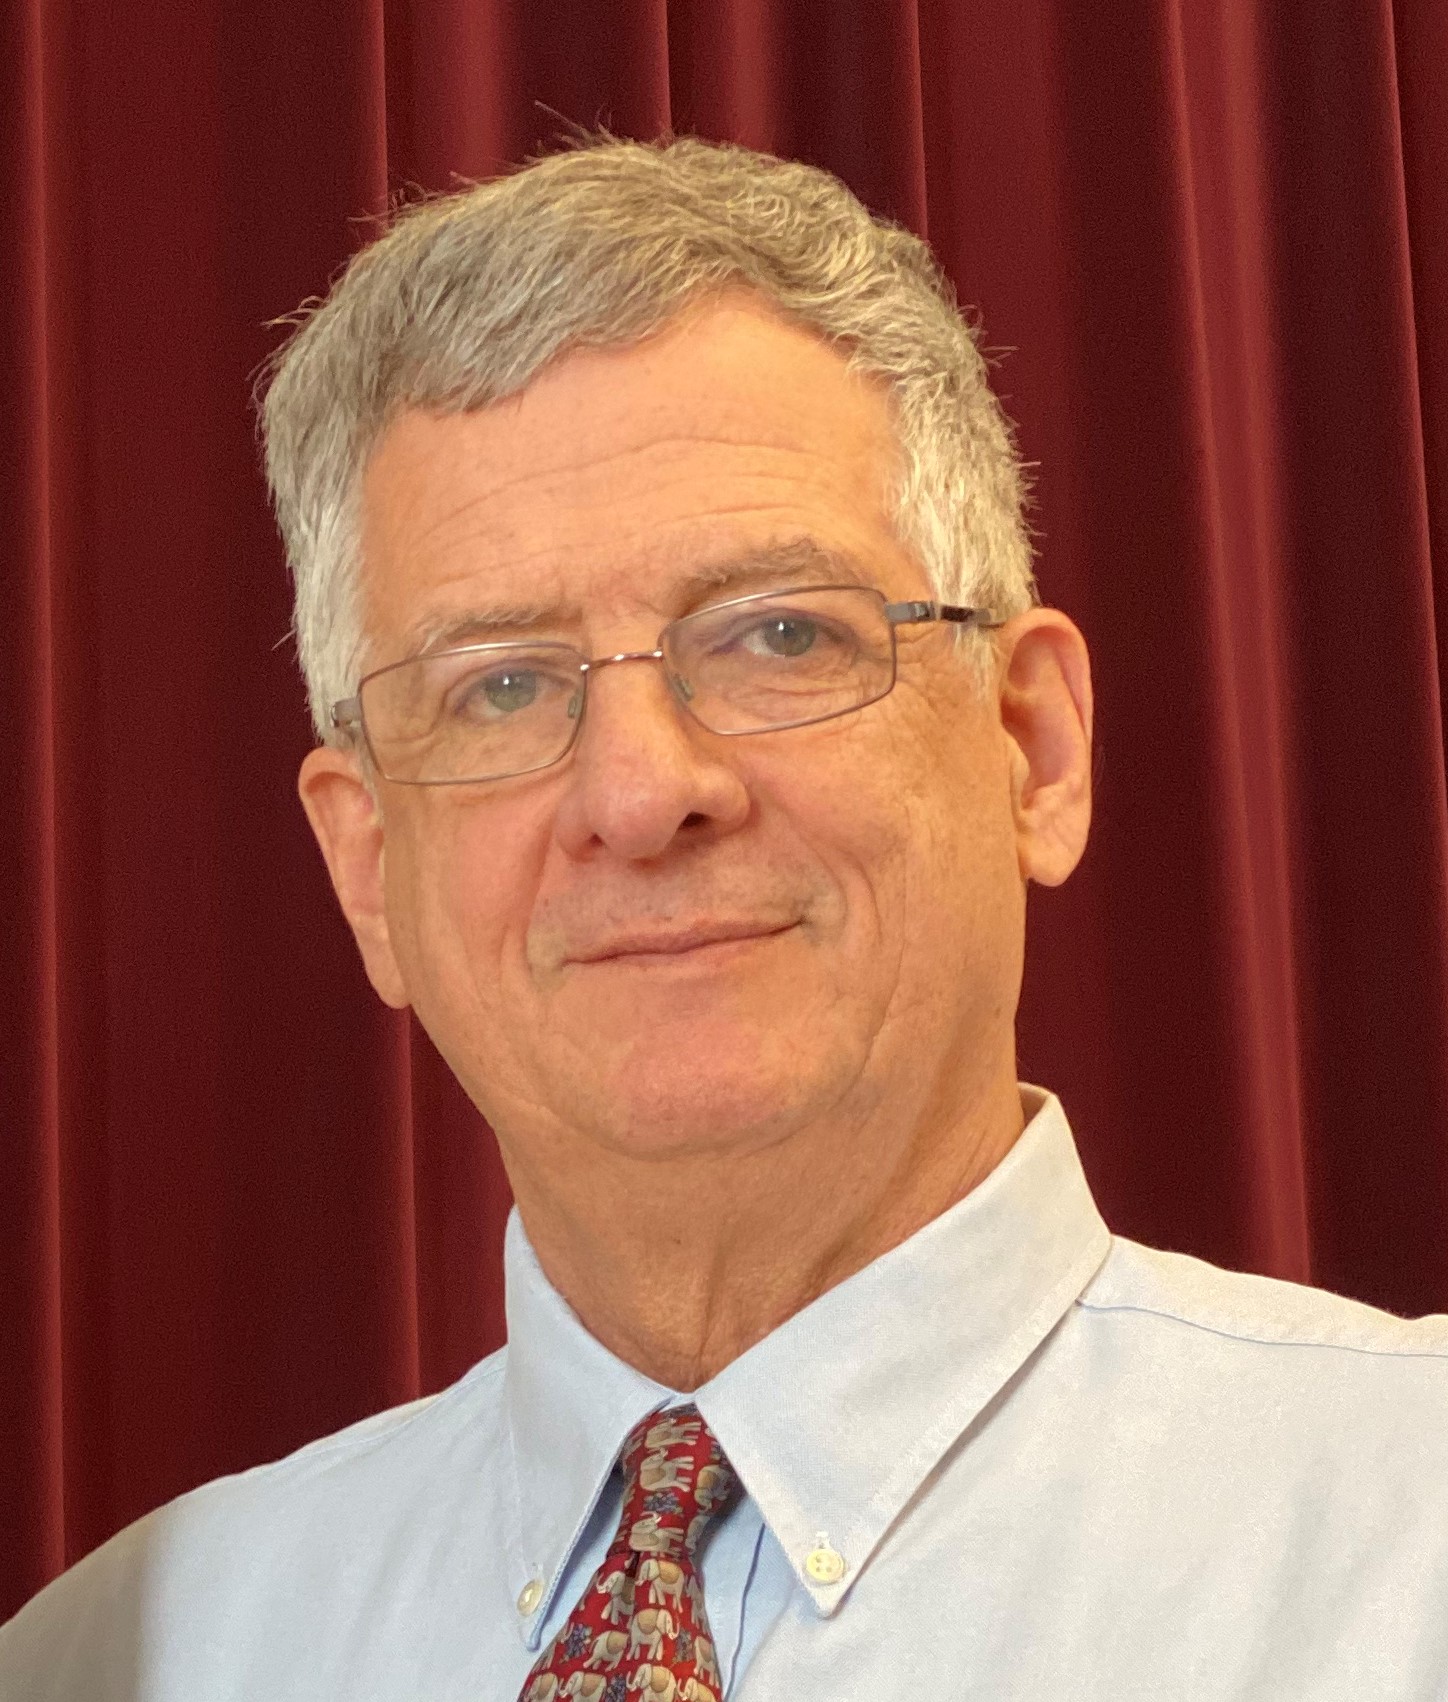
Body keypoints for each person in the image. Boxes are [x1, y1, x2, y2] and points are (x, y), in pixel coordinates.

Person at [3, 134, 1446, 1702]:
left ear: (1031, 747)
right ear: (369, 871)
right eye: (501, 684)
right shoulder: (117, 1659)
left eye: (777, 636)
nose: (640, 791)